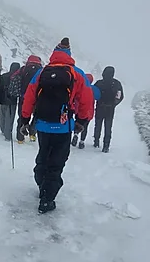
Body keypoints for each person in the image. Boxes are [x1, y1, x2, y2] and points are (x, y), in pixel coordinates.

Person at [19, 38, 94, 213]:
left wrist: (25, 119)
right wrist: (82, 121)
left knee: (43, 155)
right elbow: (87, 99)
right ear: (69, 55)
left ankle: (41, 184)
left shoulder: (42, 72)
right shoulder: (77, 73)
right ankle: (47, 198)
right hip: (64, 126)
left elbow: (29, 97)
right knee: (57, 161)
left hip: (43, 124)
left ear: (54, 54)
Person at [92, 66, 124, 152]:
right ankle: (106, 146)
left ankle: (96, 141)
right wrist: (114, 104)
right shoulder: (117, 84)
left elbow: (93, 94)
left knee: (97, 125)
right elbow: (120, 97)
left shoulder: (99, 83)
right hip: (110, 109)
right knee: (108, 127)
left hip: (100, 107)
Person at [14, 55, 43, 143]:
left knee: (22, 116)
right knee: (36, 117)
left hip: (23, 97)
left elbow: (14, 78)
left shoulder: (23, 69)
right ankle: (32, 134)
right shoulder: (41, 71)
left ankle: (20, 138)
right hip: (38, 98)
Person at [71, 72, 100, 149]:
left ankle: (76, 134)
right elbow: (98, 97)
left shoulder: (80, 87)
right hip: (89, 111)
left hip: (79, 109)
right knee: (85, 126)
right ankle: (82, 141)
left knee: (78, 123)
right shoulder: (94, 89)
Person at [0, 62, 21, 141]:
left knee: (3, 115)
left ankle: (2, 129)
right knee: (9, 118)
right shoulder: (17, 77)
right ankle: (7, 135)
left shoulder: (4, 76)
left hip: (2, 99)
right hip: (12, 101)